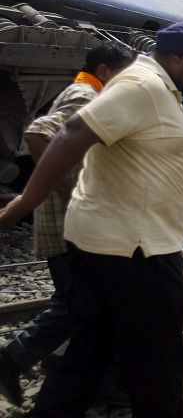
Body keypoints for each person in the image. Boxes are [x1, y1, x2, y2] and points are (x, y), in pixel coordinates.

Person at [0, 22, 183, 416]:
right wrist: (26, 201)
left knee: (90, 352)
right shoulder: (143, 86)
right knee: (159, 364)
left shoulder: (158, 88)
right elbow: (69, 132)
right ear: (177, 57)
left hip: (119, 243)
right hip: (136, 252)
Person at [0, 42, 136, 408]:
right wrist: (66, 190)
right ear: (106, 71)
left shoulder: (83, 91)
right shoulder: (87, 94)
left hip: (76, 223)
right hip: (73, 225)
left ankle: (93, 379)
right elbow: (39, 134)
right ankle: (12, 359)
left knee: (90, 306)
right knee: (79, 303)